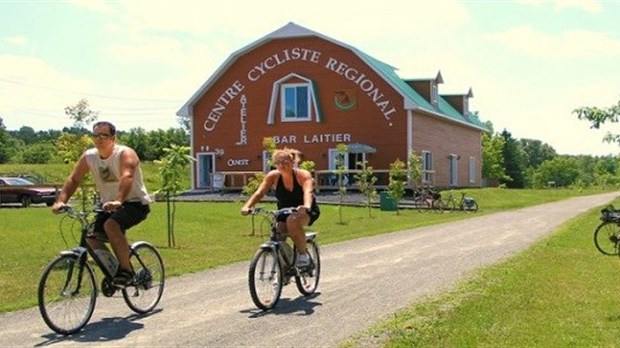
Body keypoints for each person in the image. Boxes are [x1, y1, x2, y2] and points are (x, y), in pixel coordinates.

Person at [52, 121, 152, 287]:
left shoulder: (125, 154)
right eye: (95, 135)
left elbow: (127, 176)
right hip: (108, 205)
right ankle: (115, 268)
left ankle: (126, 271)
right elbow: (74, 179)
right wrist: (61, 201)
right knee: (91, 238)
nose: (98, 138)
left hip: (134, 203)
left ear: (113, 138)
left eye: (103, 135)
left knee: (111, 226)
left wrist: (118, 200)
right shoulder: (89, 156)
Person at [241, 148, 320, 267]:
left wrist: (306, 206)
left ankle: (303, 254)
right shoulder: (273, 176)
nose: (282, 165)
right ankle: (283, 269)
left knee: (292, 221)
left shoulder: (302, 175)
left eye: (285, 162)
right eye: (278, 162)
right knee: (278, 233)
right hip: (283, 211)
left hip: (306, 209)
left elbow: (307, 191)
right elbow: (259, 192)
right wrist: (247, 206)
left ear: (292, 162)